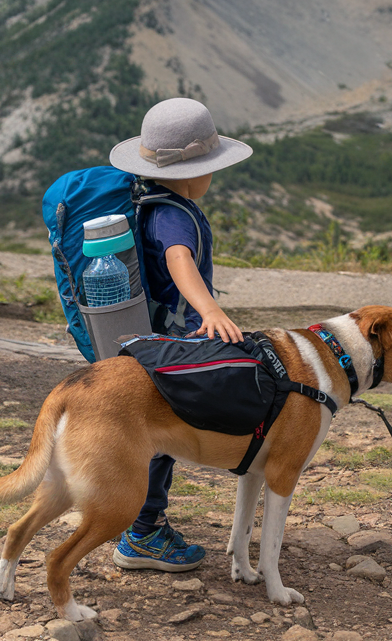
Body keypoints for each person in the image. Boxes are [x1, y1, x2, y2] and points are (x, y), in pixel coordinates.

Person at [106, 97, 253, 571]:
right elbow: (178, 260)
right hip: (172, 344)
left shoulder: (150, 201)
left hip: (148, 336)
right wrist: (209, 309)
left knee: (150, 434)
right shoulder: (174, 215)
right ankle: (143, 532)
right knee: (163, 436)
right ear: (193, 173)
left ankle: (133, 520)